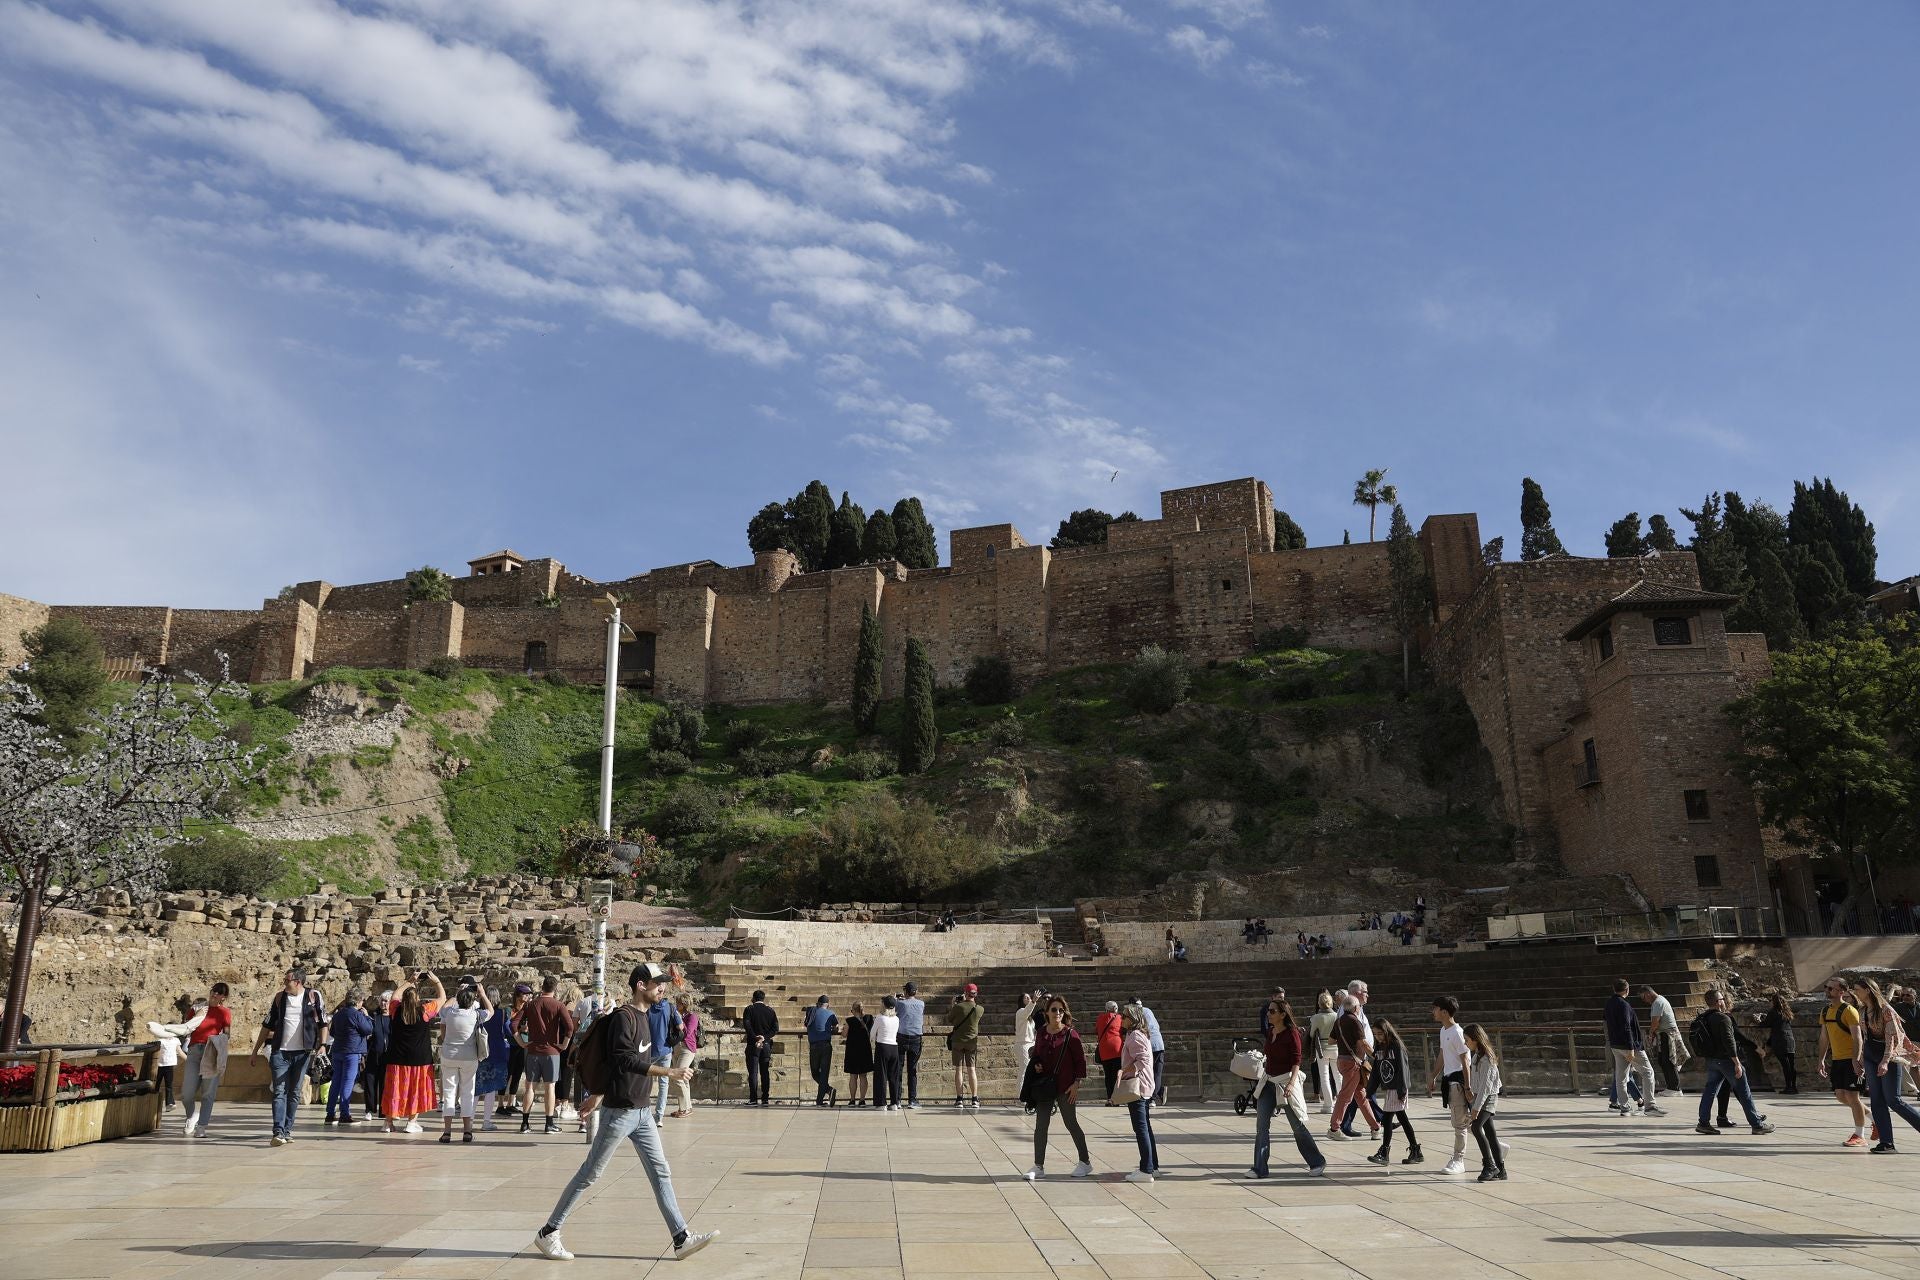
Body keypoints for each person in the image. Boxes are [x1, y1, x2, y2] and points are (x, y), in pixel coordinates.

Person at [532, 963, 717, 1264]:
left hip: (642, 1112)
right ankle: (549, 1231)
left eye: (664, 984)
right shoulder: (624, 1018)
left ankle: (681, 1238)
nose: (663, 988)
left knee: (661, 1172)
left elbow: (622, 1066)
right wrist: (669, 1071)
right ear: (641, 985)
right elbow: (624, 1061)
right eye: (658, 983)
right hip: (620, 1113)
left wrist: (596, 1094)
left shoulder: (645, 1017)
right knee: (591, 1173)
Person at [1247, 998, 1325, 1179]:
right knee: (1261, 1127)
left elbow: (1296, 1061)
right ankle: (1260, 1168)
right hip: (1268, 1082)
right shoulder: (1271, 1031)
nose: (1268, 1013)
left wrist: (1291, 1084)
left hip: (1285, 1083)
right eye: (1268, 1010)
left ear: (1283, 1015)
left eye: (1272, 1011)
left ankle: (1317, 1162)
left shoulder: (1292, 1034)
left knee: (1297, 1126)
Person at [252, 967, 329, 1147]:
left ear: (298, 982)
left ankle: (287, 1130)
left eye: (287, 980)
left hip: (302, 1053)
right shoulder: (280, 998)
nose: (284, 983)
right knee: (279, 1091)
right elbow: (267, 1025)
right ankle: (278, 1131)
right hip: (280, 1051)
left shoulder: (313, 997)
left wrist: (323, 1045)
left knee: (294, 1093)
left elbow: (323, 1022)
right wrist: (255, 1050)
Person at [1848, 976, 1920, 1153]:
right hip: (1871, 1057)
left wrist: (1886, 1061)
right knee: (1877, 1101)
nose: (1855, 993)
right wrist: (1860, 1060)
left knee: (1893, 1100)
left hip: (1889, 1057)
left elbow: (1893, 1038)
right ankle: (1887, 1143)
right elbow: (1864, 1039)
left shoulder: (1886, 1010)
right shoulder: (1863, 1011)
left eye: (1857, 989)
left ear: (1867, 990)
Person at [1690, 988, 1774, 1136]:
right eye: (1722, 999)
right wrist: (1736, 1063)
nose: (1724, 1001)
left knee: (1710, 1091)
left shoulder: (1704, 1018)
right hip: (1726, 1060)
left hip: (1711, 1060)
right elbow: (1729, 1042)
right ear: (1718, 1002)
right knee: (1744, 1091)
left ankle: (1703, 1123)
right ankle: (1757, 1125)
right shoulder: (1723, 1019)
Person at [1026, 995, 1093, 1181]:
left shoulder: (1070, 1034)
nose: (1057, 1013)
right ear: (1046, 1012)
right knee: (1041, 1126)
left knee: (1071, 1123)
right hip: (1046, 1087)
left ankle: (1085, 1162)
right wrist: (1037, 1064)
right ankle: (1038, 1166)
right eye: (1054, 1009)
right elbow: (1037, 1054)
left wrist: (1076, 1084)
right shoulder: (1041, 1032)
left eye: (1061, 1010)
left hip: (1066, 1086)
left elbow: (1080, 1061)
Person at [515, 976, 577, 1135]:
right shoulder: (558, 1005)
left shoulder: (530, 1004)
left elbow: (514, 1024)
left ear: (542, 987)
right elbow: (570, 1027)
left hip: (533, 1050)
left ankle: (525, 1123)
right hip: (552, 1052)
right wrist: (563, 1045)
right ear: (555, 989)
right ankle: (549, 1124)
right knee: (550, 1087)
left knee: (530, 1087)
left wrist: (521, 1042)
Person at [384, 972, 444, 1134]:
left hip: (396, 1057)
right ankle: (411, 1122)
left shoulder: (396, 1010)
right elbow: (442, 999)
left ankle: (388, 1122)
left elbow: (394, 995)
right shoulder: (424, 1011)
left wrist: (409, 981)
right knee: (415, 1090)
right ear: (417, 999)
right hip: (419, 1059)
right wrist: (436, 982)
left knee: (394, 1089)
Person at [435, 977, 492, 1144]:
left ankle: (447, 1132)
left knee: (449, 1092)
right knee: (468, 1092)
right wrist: (482, 994)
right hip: (469, 1057)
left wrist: (457, 992)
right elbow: (491, 1011)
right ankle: (467, 1131)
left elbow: (443, 1006)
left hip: (449, 1056)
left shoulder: (450, 1013)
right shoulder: (475, 1014)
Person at [1816, 977, 1870, 1146]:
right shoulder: (1825, 1011)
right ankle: (1875, 1119)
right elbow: (1824, 1038)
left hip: (1851, 1059)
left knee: (1853, 1097)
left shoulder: (1849, 1011)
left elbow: (1858, 1038)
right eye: (1826, 987)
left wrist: (1856, 1060)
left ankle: (1860, 1135)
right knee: (1840, 1095)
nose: (1827, 990)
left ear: (1842, 991)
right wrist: (1821, 1060)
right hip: (1837, 1059)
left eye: (1831, 988)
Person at [1605, 978, 1663, 1116]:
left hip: (1616, 1045)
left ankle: (1625, 1107)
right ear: (1627, 990)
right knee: (1648, 1072)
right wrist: (1631, 1047)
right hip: (1629, 1046)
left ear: (1614, 989)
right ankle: (1650, 1106)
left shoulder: (1609, 1004)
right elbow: (1626, 1026)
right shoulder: (1624, 1005)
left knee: (1621, 1077)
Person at [178, 985, 231, 1137]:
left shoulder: (224, 1012)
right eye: (214, 990)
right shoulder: (197, 1008)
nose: (215, 994)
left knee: (208, 1092)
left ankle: (201, 1126)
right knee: (187, 1093)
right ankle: (191, 1116)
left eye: (219, 993)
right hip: (194, 1051)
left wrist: (217, 1040)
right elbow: (187, 1027)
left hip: (211, 1051)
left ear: (223, 997)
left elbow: (227, 1034)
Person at [1429, 995, 1472, 1175]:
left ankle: (1458, 1159)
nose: (1433, 1012)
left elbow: (1465, 1061)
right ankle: (1496, 1147)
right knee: (1465, 1120)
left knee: (1459, 1124)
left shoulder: (1456, 1032)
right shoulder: (1444, 1031)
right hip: (1449, 1080)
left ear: (1444, 1012)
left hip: (1458, 1082)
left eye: (1435, 1009)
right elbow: (1442, 1056)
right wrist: (1433, 1076)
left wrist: (1468, 1087)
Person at [1329, 984, 1377, 1142]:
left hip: (1343, 1060)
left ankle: (1375, 1127)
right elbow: (1363, 1042)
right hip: (1353, 1063)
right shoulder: (1354, 1021)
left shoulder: (1339, 1020)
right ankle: (1334, 1128)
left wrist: (1345, 1043)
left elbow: (1331, 1040)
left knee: (1361, 1096)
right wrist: (1376, 1056)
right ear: (1355, 1007)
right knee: (1345, 1097)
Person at [1367, 1019, 1420, 1165]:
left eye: (1380, 1033)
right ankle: (1415, 1151)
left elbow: (1403, 1069)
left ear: (1387, 1031)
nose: (1377, 1037)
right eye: (1375, 1034)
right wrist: (1369, 1090)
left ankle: (1384, 1152)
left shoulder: (1396, 1047)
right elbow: (1376, 1071)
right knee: (1402, 1119)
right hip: (1390, 1088)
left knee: (1387, 1119)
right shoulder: (1379, 1047)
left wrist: (1402, 1090)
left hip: (1398, 1087)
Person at [1117, 1002, 1157, 1182]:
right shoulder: (1137, 1034)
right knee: (1145, 1128)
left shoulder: (1135, 1036)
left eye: (1124, 1016)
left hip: (1138, 1087)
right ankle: (1150, 1165)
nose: (1121, 1018)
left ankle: (1146, 1170)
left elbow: (1144, 1059)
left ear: (1132, 1019)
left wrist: (1124, 1070)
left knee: (1141, 1129)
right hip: (1145, 1085)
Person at [1462, 1023, 1506, 1182]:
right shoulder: (1476, 1056)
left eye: (1467, 1040)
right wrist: (1471, 1096)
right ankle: (1500, 1169)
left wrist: (1475, 1109)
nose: (1465, 1043)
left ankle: (1490, 1165)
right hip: (1481, 1096)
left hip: (1489, 1097)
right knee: (1490, 1131)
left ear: (1476, 1039)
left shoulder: (1487, 1059)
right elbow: (1477, 1083)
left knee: (1475, 1126)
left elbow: (1486, 1088)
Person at [325, 988, 374, 1126]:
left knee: (336, 1082)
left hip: (337, 1051)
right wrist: (366, 1016)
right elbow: (368, 1029)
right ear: (358, 1001)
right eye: (362, 1001)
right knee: (347, 1082)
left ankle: (330, 1114)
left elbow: (333, 1032)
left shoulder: (338, 1014)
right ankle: (344, 1115)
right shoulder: (357, 1014)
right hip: (352, 1052)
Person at [477, 986, 513, 1130]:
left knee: (477, 1088)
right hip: (497, 1052)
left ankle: (470, 1119)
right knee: (491, 1089)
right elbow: (508, 1031)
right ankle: (486, 1121)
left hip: (480, 1052)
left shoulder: (478, 1013)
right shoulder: (502, 1013)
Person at [647, 986, 684, 1123]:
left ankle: (645, 1112)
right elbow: (680, 1027)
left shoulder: (647, 1007)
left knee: (646, 1081)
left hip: (648, 1049)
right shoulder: (670, 1007)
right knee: (664, 1083)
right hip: (666, 1049)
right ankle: (659, 1116)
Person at [1642, 985, 1686, 1094]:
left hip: (1667, 1034)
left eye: (1644, 998)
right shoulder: (1659, 1000)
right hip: (1664, 1034)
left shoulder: (1658, 1002)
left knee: (1668, 1061)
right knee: (1663, 1060)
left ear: (1648, 993)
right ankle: (1671, 1086)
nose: (1644, 1001)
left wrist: (1650, 1034)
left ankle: (1675, 1088)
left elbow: (1655, 1021)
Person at [948, 984, 983, 1109]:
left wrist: (954, 1004)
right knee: (971, 1069)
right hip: (972, 1042)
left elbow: (950, 1019)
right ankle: (974, 1099)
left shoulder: (958, 1007)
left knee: (959, 1069)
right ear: (976, 994)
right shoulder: (980, 1009)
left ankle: (959, 1099)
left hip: (957, 1041)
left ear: (965, 993)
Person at [741, 989, 778, 1107]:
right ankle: (765, 1098)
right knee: (765, 1072)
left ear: (753, 998)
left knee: (753, 1072)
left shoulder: (749, 1009)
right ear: (763, 998)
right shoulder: (770, 1011)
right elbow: (775, 1029)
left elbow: (747, 1025)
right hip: (766, 1045)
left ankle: (753, 1099)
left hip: (753, 1045)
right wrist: (764, 1038)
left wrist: (755, 1037)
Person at [804, 995, 840, 1107]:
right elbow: (836, 1027)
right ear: (827, 1005)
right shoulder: (831, 1014)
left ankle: (824, 1096)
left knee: (815, 1073)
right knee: (824, 1074)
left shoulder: (811, 1011)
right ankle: (827, 1092)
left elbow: (806, 1024)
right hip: (826, 1045)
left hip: (814, 1046)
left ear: (817, 1003)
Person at [502, 983, 532, 1117]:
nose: (527, 997)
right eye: (525, 994)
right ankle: (500, 1104)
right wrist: (520, 1029)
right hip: (512, 1045)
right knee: (507, 1074)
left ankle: (511, 1103)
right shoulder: (509, 1010)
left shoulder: (528, 1010)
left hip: (523, 1044)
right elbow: (508, 1028)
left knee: (518, 1073)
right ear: (518, 995)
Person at [1759, 992, 1798, 1095]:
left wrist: (1758, 1020)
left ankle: (1788, 1087)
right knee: (1791, 1065)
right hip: (1790, 1039)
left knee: (1786, 1065)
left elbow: (1766, 1024)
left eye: (1771, 1001)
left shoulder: (1773, 1012)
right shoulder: (1787, 1013)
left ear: (1774, 1002)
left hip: (1780, 1041)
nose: (1770, 1003)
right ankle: (1793, 1087)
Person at [669, 993, 699, 1118]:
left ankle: (685, 1108)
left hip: (687, 1048)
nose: (676, 1005)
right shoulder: (678, 1015)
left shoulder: (692, 1016)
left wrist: (679, 1020)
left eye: (679, 1003)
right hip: (676, 1048)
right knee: (684, 1079)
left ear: (684, 1004)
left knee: (678, 1077)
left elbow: (687, 1032)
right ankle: (686, 1107)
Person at [896, 981, 926, 1109]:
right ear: (916, 991)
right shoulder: (921, 1004)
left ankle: (897, 1099)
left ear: (905, 992)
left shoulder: (900, 1003)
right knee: (912, 1070)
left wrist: (896, 998)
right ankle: (912, 1100)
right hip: (916, 1038)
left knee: (898, 1069)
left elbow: (892, 1008)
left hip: (901, 1037)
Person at [1309, 991, 1339, 1112]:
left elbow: (1311, 1034)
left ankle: (1328, 1105)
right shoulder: (1337, 1016)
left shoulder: (1316, 1017)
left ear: (1319, 1004)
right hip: (1336, 1048)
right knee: (1338, 1076)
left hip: (1322, 1049)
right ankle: (1343, 1102)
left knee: (1324, 1076)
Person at [364, 987, 391, 1119]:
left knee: (385, 1083)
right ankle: (369, 1109)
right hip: (373, 1054)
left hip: (387, 1056)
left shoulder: (394, 1018)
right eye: (382, 1001)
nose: (383, 1003)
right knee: (370, 1081)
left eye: (386, 1001)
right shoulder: (374, 1016)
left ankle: (383, 1110)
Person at [873, 995, 903, 1111]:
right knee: (893, 1076)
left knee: (881, 1075)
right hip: (894, 1047)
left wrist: (874, 1039)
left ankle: (881, 1103)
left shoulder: (880, 1018)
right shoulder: (896, 1019)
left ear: (884, 1005)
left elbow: (872, 1033)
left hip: (882, 1046)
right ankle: (894, 1102)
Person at [1136, 998, 1166, 1106]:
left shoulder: (1135, 1014)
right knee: (1157, 1072)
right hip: (1158, 1043)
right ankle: (1156, 1094)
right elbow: (1156, 1026)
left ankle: (1152, 1097)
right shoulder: (1148, 1010)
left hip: (1147, 1045)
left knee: (1147, 1072)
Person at [843, 1001, 874, 1107]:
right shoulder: (870, 1018)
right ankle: (862, 1100)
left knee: (853, 1076)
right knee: (863, 1076)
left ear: (853, 1010)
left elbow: (844, 1034)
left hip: (852, 1050)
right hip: (865, 1050)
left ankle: (852, 1100)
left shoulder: (849, 1021)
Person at [1095, 1001, 1124, 1102]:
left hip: (1104, 1050)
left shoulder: (1100, 1018)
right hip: (1117, 1048)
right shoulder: (1119, 1018)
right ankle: (1117, 1098)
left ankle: (1110, 1098)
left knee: (1108, 1076)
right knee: (1116, 1075)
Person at [1012, 992, 1038, 1087]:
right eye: (1026, 998)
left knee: (1030, 1071)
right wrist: (1034, 1001)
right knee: (1024, 1071)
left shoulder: (1030, 1018)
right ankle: (1020, 1098)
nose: (1028, 999)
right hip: (1023, 1044)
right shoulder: (1020, 1012)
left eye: (1029, 998)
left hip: (1031, 1044)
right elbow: (1027, 1011)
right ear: (1021, 1001)